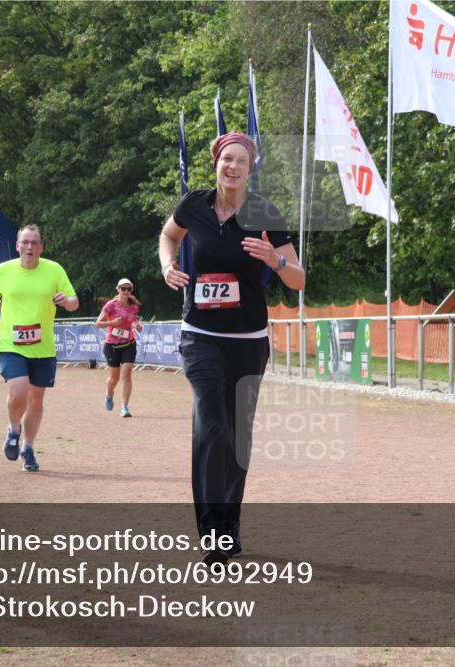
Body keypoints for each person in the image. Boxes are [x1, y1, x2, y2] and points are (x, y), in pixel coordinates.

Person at [159, 131, 305, 565]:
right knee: (212, 425)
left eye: (242, 160)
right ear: (217, 163)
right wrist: (168, 265)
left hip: (248, 341)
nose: (233, 166)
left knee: (237, 436)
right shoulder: (194, 206)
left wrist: (273, 259)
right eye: (227, 158)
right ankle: (212, 533)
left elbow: (298, 278)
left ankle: (230, 523)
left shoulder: (265, 213)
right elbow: (169, 237)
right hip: (200, 335)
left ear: (250, 167)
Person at [0, 224, 78, 472]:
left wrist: (66, 301)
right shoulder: (3, 271)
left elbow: (74, 302)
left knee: (36, 402)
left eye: (35, 243)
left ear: (41, 247)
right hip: (11, 343)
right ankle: (13, 429)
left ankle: (28, 448)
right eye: (25, 242)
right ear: (17, 246)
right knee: (19, 391)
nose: (30, 247)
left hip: (43, 347)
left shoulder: (54, 270)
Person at [96, 278, 142, 417]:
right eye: (123, 288)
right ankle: (109, 394)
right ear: (118, 289)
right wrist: (112, 322)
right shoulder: (111, 305)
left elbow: (134, 320)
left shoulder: (134, 306)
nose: (126, 291)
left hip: (129, 344)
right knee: (113, 379)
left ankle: (124, 407)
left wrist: (137, 325)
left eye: (129, 289)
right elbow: (98, 323)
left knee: (126, 374)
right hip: (112, 346)